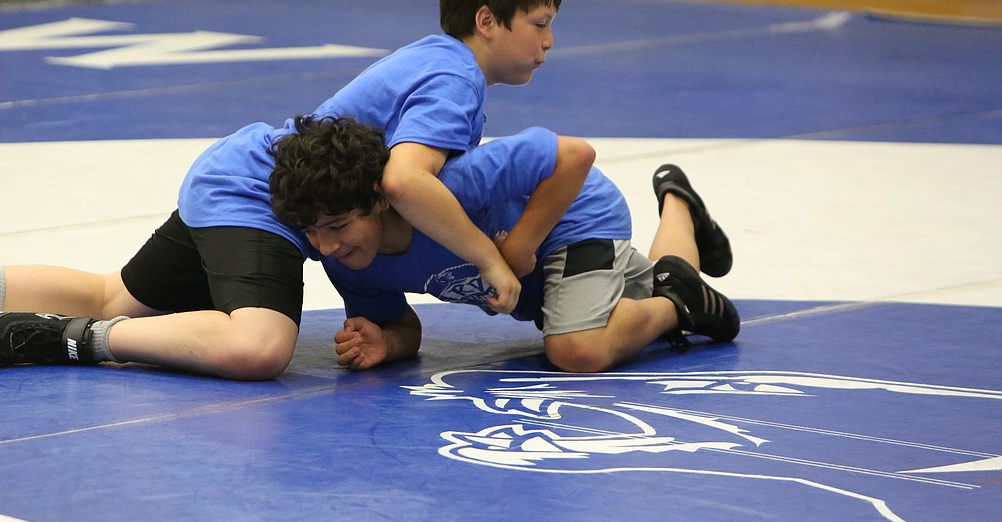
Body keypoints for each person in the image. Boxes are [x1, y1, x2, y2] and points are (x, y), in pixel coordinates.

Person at [0, 0, 564, 380]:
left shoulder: (435, 62)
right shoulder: (454, 75)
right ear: (487, 21)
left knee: (117, 296)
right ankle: (69, 343)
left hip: (244, 173)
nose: (548, 42)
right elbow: (405, 183)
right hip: (263, 195)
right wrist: (495, 262)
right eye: (539, 24)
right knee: (259, 347)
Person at [269, 115, 738, 373]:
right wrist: (385, 343)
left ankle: (677, 303)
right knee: (652, 278)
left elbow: (572, 155)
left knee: (577, 349)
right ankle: (680, 203)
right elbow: (406, 334)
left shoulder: (453, 185)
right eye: (311, 232)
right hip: (541, 278)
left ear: (379, 200)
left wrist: (515, 249)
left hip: (572, 220)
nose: (324, 247)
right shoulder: (351, 261)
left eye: (336, 226)